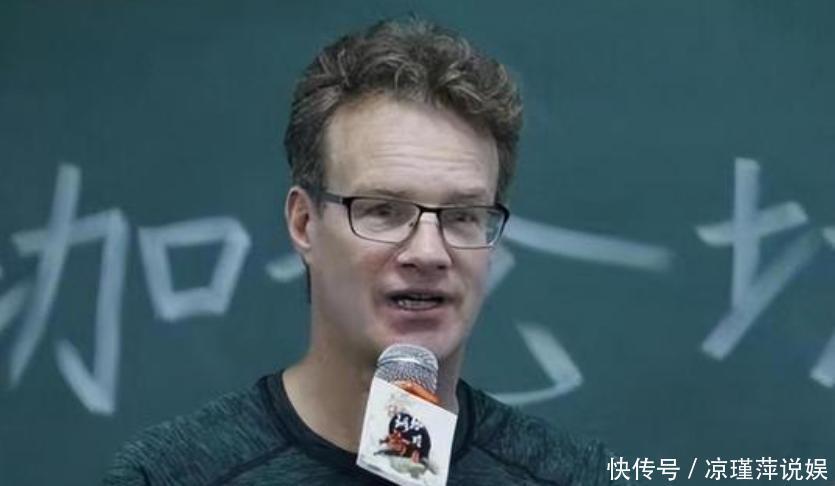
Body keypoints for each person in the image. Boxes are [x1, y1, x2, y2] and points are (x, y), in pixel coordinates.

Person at [104, 18, 627, 485]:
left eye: (463, 216)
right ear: (304, 224)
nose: (429, 252)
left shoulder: (575, 477)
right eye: (384, 210)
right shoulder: (168, 476)